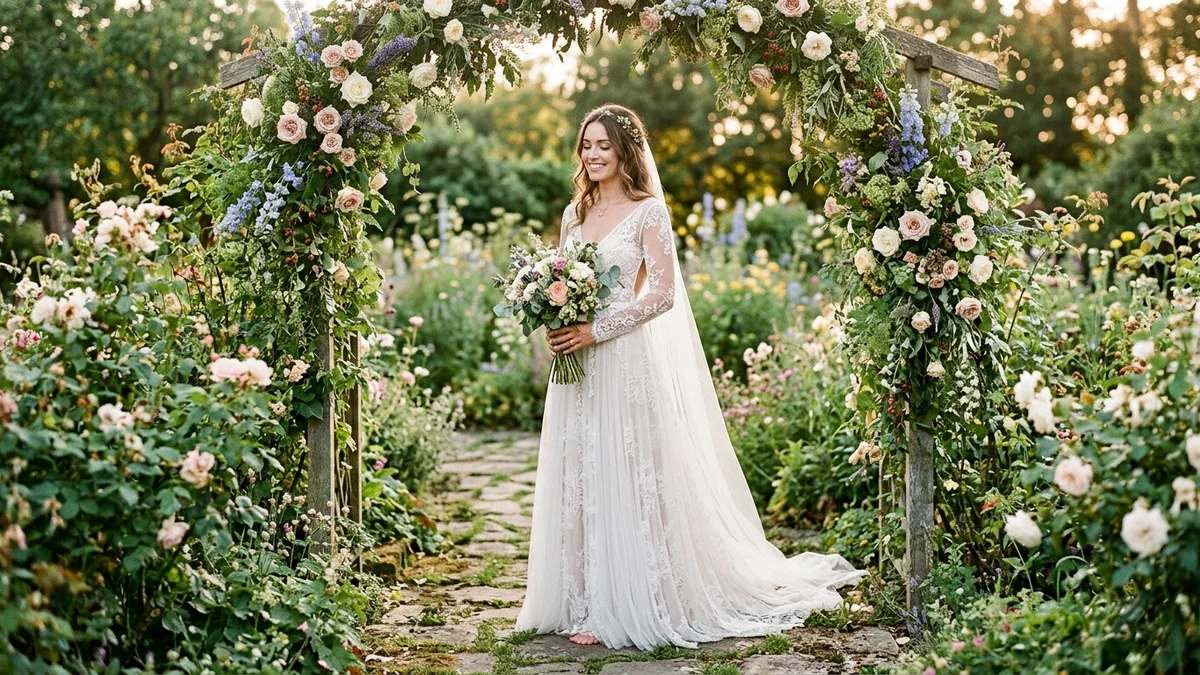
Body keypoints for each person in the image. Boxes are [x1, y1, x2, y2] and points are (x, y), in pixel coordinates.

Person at [515, 104, 866, 650]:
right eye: (587, 145)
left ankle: (627, 599)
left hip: (623, 358)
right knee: (582, 470)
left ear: (626, 151)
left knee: (628, 469)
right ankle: (581, 597)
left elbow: (662, 293)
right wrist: (554, 318)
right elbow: (560, 277)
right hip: (577, 366)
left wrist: (596, 329)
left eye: (604, 145)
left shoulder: (648, 212)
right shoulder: (573, 214)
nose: (594, 154)